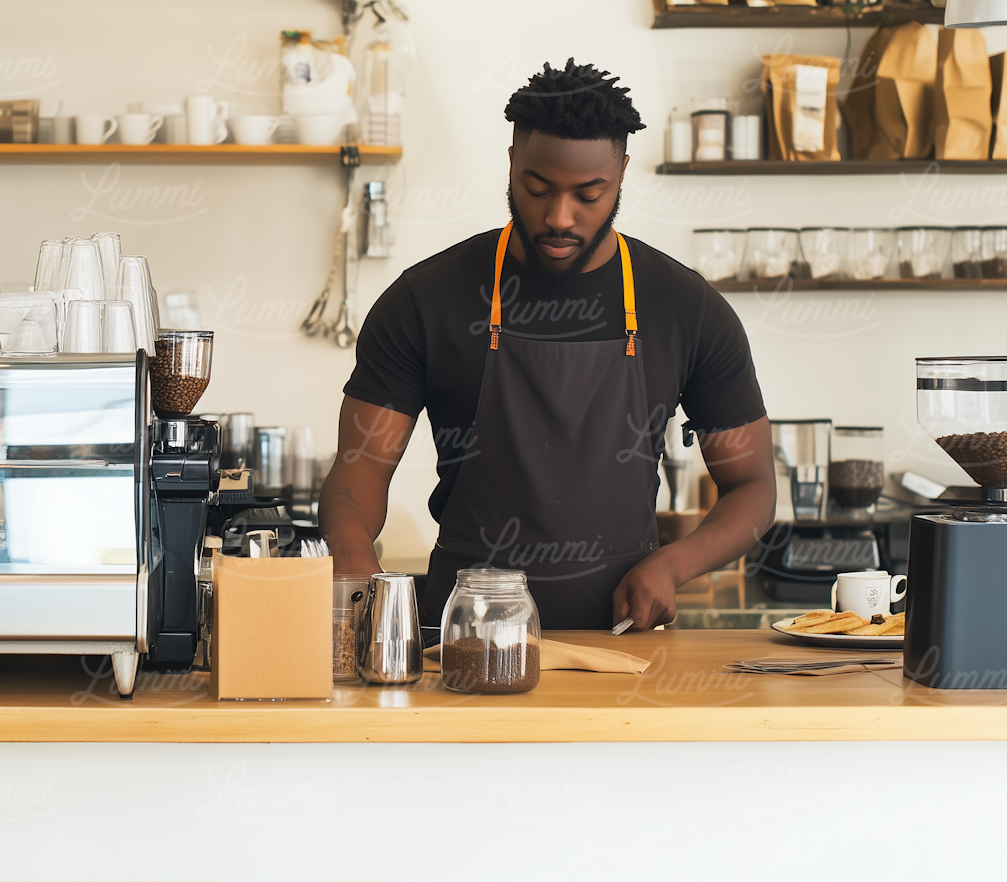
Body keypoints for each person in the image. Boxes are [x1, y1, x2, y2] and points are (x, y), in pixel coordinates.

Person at [320, 59, 775, 631]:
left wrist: (673, 564)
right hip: (461, 647)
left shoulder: (688, 308)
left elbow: (753, 488)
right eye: (538, 189)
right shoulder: (425, 299)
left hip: (624, 647)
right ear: (511, 163)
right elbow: (358, 471)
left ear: (623, 173)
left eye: (590, 194)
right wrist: (354, 560)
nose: (560, 217)